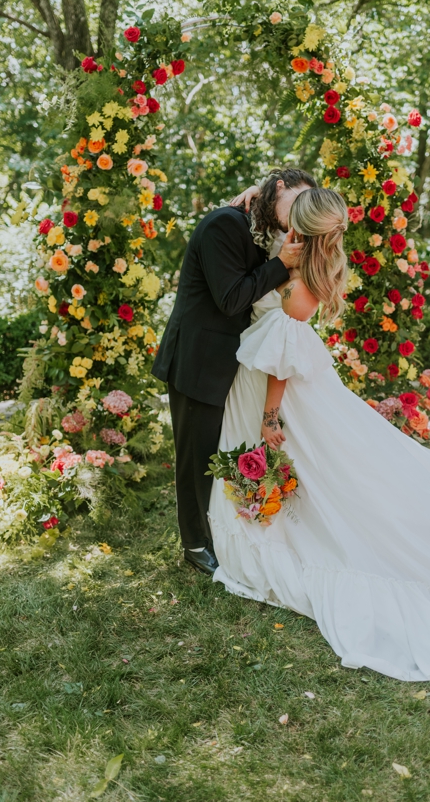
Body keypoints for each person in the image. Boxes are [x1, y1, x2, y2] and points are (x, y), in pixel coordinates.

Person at [206, 187, 430, 681]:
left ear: (305, 225)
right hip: (287, 387)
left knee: (327, 477)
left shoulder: (299, 282)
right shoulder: (309, 263)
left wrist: (271, 418)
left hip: (285, 395)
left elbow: (281, 364)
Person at [151, 168, 316, 573]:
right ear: (280, 185)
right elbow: (230, 297)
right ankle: (193, 544)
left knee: (215, 452)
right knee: (195, 455)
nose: (297, 215)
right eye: (296, 202)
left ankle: (220, 530)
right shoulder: (222, 224)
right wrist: (280, 264)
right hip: (199, 358)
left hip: (236, 363)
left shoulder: (261, 223)